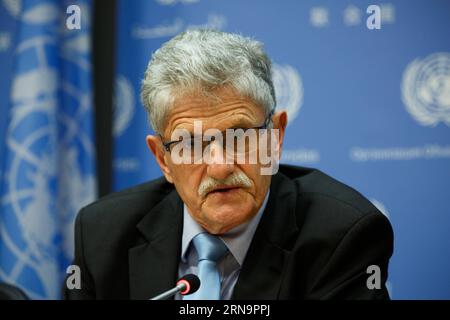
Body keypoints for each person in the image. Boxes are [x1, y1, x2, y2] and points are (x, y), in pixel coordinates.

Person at [65, 29, 393, 300]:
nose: (220, 166)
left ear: (275, 137)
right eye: (190, 144)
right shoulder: (102, 236)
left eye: (239, 137)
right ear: (163, 158)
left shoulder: (341, 236)